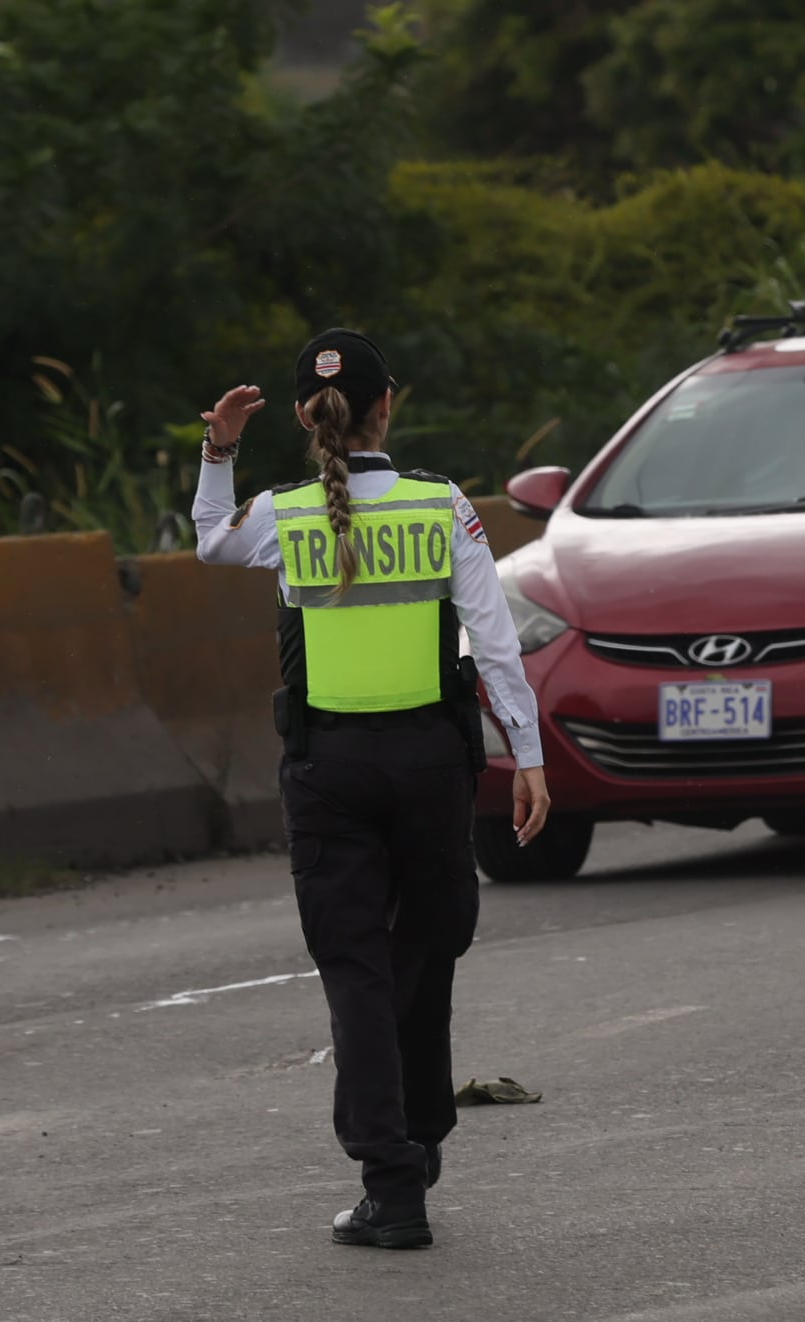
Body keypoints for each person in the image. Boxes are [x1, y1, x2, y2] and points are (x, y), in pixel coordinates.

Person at [194, 330, 550, 1250]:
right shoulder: (444, 508)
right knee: (425, 952)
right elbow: (495, 643)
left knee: (357, 969)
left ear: (312, 415)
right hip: (432, 765)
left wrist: (219, 451)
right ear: (387, 405)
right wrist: (530, 756)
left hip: (329, 772)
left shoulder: (284, 513)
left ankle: (394, 1178)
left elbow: (208, 544)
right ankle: (415, 1137)